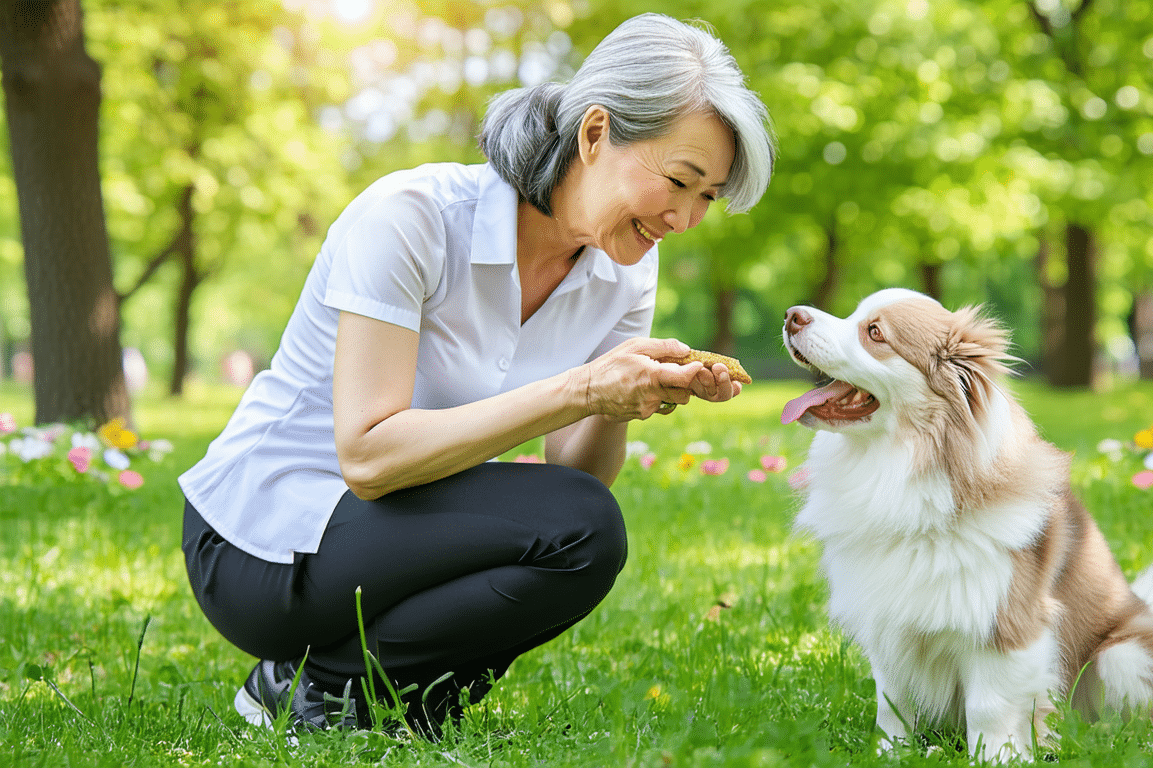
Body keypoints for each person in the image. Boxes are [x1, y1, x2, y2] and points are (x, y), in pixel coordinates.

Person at [178, 12, 775, 735]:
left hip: (388, 533)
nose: (685, 218)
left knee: (587, 531)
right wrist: (582, 388)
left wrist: (624, 401)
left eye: (707, 197)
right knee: (581, 525)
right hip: (261, 543)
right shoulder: (413, 218)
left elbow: (574, 490)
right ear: (595, 134)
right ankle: (309, 683)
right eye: (680, 181)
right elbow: (367, 457)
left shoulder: (625, 269)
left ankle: (365, 700)